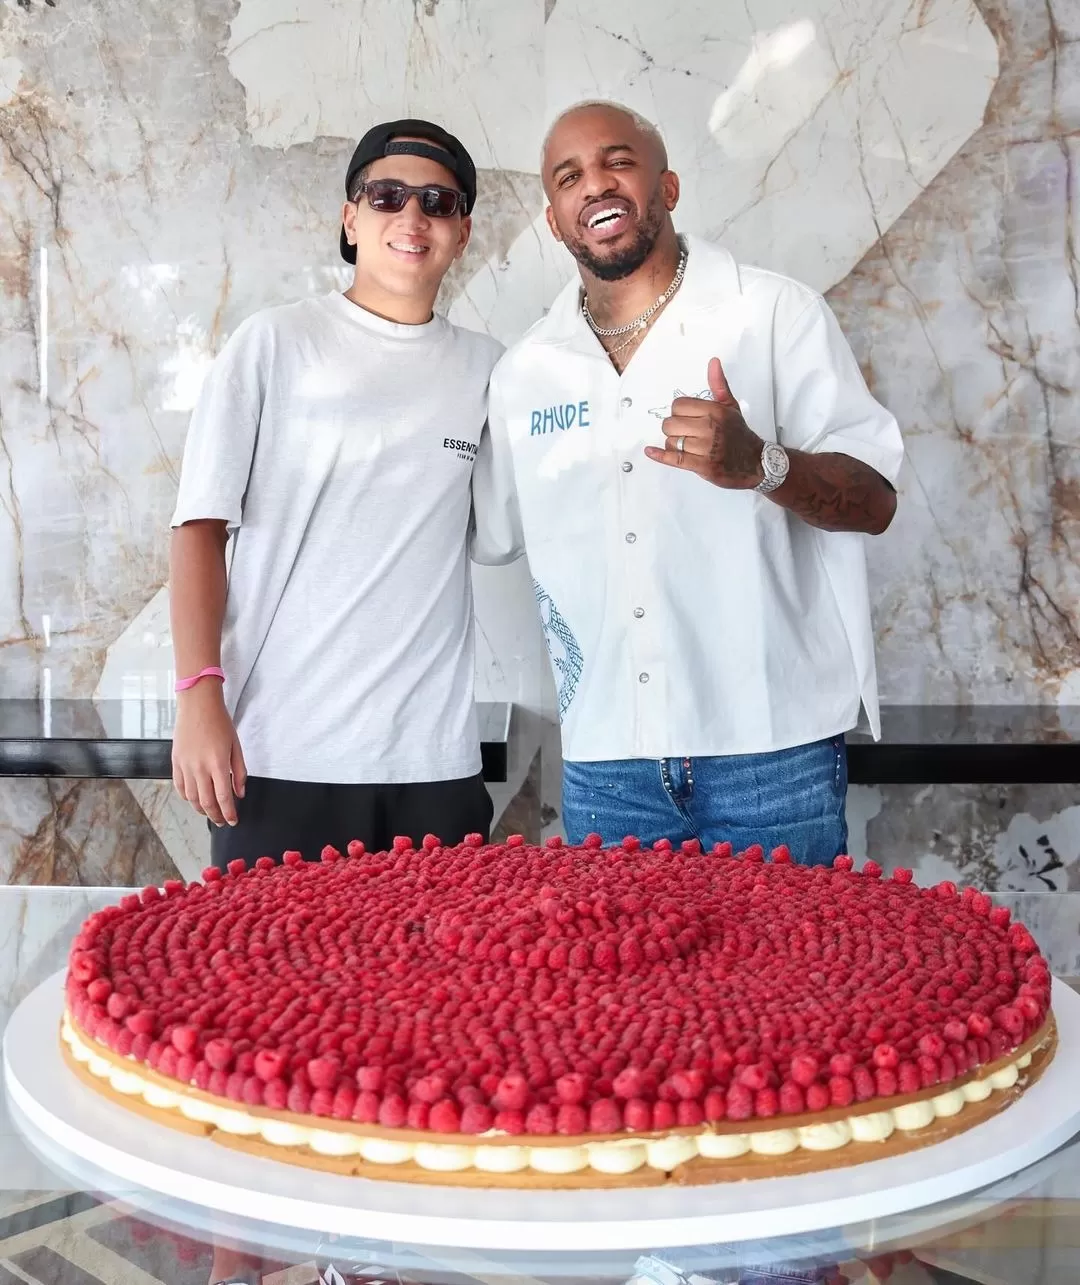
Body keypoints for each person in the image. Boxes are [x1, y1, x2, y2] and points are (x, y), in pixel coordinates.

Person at [487, 101, 903, 865]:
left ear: (668, 187)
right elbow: (481, 531)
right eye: (569, 175)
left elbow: (875, 500)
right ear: (554, 219)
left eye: (618, 161)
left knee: (792, 982)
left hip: (772, 753)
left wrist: (762, 465)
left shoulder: (773, 314)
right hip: (607, 766)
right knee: (621, 987)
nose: (595, 185)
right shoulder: (525, 373)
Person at [169, 117, 520, 868]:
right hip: (279, 758)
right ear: (350, 218)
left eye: (438, 202)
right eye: (388, 195)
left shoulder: (492, 372)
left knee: (437, 989)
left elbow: (509, 527)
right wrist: (200, 694)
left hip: (434, 768)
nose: (412, 217)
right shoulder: (275, 343)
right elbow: (198, 525)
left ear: (463, 234)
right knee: (264, 984)